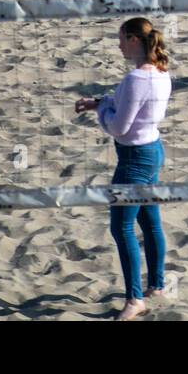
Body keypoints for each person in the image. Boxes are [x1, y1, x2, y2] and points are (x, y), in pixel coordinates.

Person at [75, 17, 171, 321]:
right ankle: (156, 286)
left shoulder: (134, 79)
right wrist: (100, 102)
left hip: (134, 159)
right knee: (149, 219)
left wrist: (102, 111)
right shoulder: (162, 73)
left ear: (133, 40)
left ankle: (134, 299)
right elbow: (132, 105)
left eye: (120, 39)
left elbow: (118, 126)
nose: (117, 45)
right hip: (153, 151)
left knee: (122, 227)